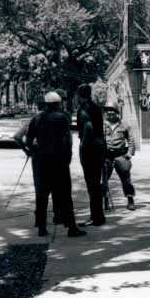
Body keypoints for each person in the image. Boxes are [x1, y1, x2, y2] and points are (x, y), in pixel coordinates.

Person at [24, 92, 85, 237]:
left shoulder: (36, 119)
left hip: (41, 163)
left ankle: (41, 227)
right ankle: (71, 227)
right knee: (64, 195)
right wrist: (68, 157)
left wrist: (34, 152)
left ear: (45, 104)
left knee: (41, 195)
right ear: (58, 104)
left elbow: (28, 141)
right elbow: (67, 140)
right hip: (59, 162)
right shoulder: (62, 118)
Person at [77, 82, 106, 226]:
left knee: (92, 184)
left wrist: (83, 145)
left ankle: (96, 217)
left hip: (90, 149)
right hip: (100, 146)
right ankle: (98, 216)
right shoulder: (96, 107)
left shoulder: (84, 108)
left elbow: (88, 127)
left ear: (79, 96)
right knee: (96, 183)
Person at [103, 100, 136, 211]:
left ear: (117, 112)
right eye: (107, 111)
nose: (109, 113)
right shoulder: (102, 125)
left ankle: (130, 199)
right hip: (106, 156)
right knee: (103, 180)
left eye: (112, 111)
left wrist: (130, 153)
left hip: (120, 155)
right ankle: (104, 200)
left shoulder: (124, 125)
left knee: (126, 179)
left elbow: (131, 140)